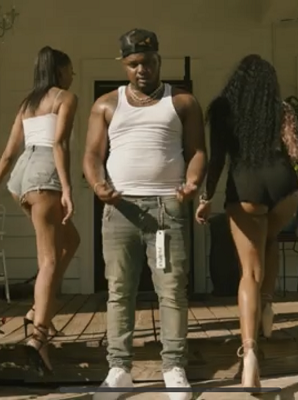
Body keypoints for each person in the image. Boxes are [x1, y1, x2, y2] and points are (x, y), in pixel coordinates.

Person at [82, 28, 207, 400]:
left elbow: (197, 151)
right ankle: (119, 369)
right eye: (134, 63)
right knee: (119, 290)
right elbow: (92, 154)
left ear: (158, 61)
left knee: (172, 290)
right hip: (120, 208)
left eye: (148, 62)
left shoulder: (182, 101)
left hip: (167, 209)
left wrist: (192, 182)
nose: (142, 70)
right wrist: (98, 184)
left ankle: (174, 368)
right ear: (124, 64)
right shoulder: (106, 104)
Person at [195, 54, 298, 390]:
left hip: (245, 188)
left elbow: (217, 162)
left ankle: (249, 353)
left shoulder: (221, 109)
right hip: (283, 187)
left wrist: (205, 198)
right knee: (271, 239)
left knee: (249, 272)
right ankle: (267, 306)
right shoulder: (281, 108)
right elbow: (296, 153)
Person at [0, 46, 81, 376]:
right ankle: (38, 337)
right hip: (44, 176)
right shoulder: (65, 98)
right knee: (49, 260)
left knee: (70, 242)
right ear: (59, 71)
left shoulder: (27, 104)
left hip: (21, 179)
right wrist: (67, 188)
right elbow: (59, 144)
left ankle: (38, 309)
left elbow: (9, 153)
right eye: (70, 70)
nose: (72, 75)